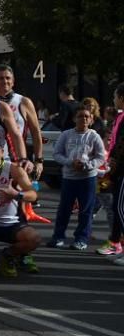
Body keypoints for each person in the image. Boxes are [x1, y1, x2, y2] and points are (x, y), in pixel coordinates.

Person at [0, 137, 41, 276]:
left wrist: (17, 194)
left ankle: (8, 255)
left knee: (34, 239)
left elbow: (33, 195)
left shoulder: (13, 170)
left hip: (12, 223)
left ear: (2, 151)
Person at [48, 106, 105, 250]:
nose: (84, 119)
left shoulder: (94, 136)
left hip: (88, 178)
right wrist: (70, 162)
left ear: (91, 120)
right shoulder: (66, 135)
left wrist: (88, 165)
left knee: (86, 210)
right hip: (69, 178)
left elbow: (101, 157)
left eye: (87, 116)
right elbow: (57, 154)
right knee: (64, 209)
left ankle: (81, 239)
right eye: (80, 116)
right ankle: (58, 237)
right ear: (74, 119)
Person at [0, 64, 44, 180]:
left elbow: (36, 133)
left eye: (8, 78)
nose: (5, 81)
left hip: (18, 159)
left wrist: (39, 160)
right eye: (0, 78)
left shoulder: (23, 102)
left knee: (22, 196)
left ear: (13, 81)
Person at [103, 85, 124, 262]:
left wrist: (113, 163)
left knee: (120, 207)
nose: (114, 99)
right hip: (119, 169)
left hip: (122, 169)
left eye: (115, 96)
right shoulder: (120, 117)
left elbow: (120, 144)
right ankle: (117, 243)